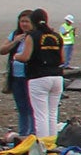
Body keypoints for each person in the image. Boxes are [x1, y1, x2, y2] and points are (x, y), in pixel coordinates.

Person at [24, 9, 66, 138]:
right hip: (57, 77)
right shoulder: (56, 36)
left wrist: (16, 57)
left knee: (40, 115)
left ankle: (43, 145)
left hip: (38, 77)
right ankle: (52, 142)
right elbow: (62, 59)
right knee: (52, 113)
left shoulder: (32, 36)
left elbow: (26, 57)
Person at [2, 10, 37, 137]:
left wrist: (19, 57)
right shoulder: (15, 35)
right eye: (22, 21)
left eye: (27, 21)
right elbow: (2, 50)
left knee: (32, 107)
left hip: (31, 76)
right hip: (16, 77)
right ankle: (23, 134)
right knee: (22, 107)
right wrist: (15, 41)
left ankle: (33, 133)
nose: (24, 24)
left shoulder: (35, 36)